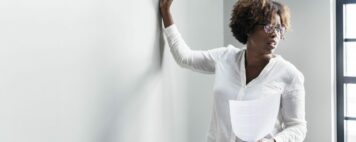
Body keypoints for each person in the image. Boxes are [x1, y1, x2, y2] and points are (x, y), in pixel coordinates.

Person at [159, 0, 307, 142]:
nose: (275, 34)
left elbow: (298, 127)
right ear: (249, 27)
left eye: (279, 29)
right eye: (269, 27)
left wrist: (274, 141)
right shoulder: (225, 58)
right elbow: (185, 58)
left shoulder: (289, 75)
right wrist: (166, 13)